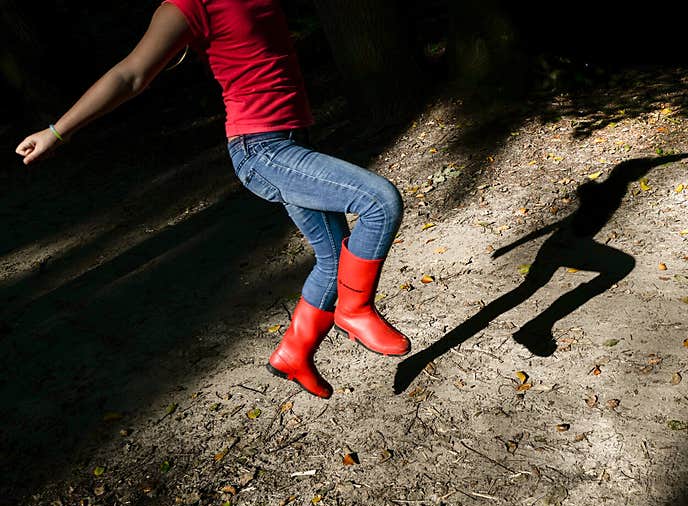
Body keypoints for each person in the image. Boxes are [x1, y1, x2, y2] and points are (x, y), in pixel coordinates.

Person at [15, 0, 410, 399]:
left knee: (331, 260)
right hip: (262, 151)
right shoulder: (190, 4)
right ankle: (354, 310)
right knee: (379, 202)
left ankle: (293, 353)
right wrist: (57, 131)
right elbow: (130, 75)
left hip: (293, 142)